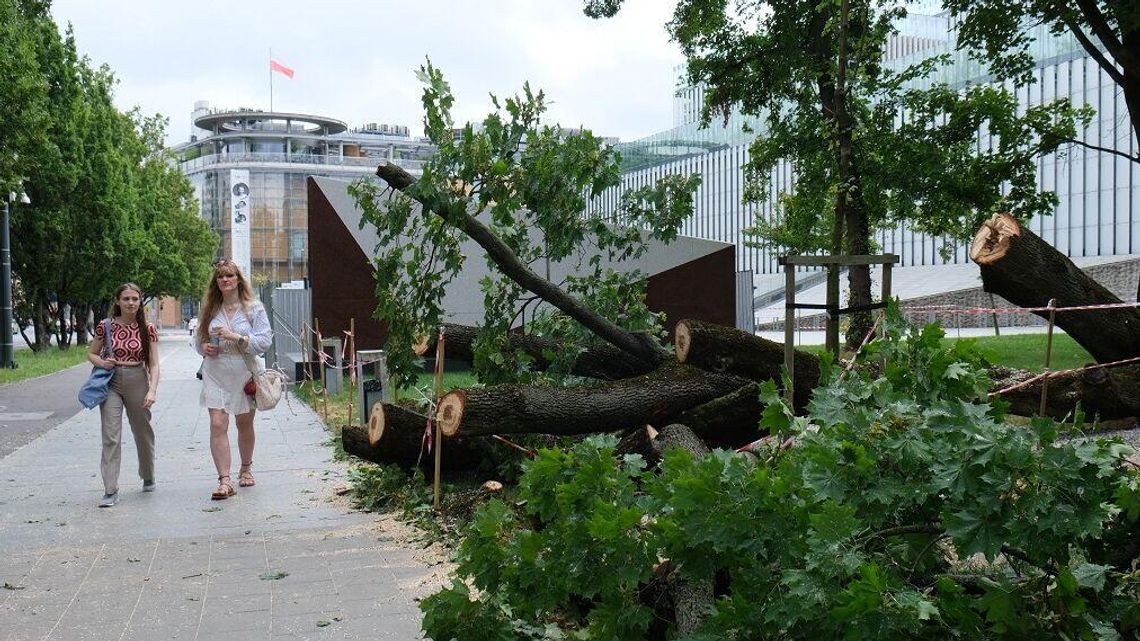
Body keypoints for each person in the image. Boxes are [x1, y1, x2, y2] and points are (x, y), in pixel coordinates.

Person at [195, 259, 273, 500]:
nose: (224, 280)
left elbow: (264, 342)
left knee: (244, 423)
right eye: (220, 277)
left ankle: (246, 467)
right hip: (215, 370)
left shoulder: (253, 308)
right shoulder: (209, 309)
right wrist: (204, 347)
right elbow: (197, 340)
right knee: (217, 423)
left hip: (243, 371)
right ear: (216, 282)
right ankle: (224, 480)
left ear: (238, 279)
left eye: (229, 276)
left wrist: (236, 336)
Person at [88, 283, 160, 508]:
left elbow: (155, 364)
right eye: (126, 298)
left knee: (142, 430)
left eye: (135, 299)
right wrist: (102, 362)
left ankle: (148, 475)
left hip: (138, 377)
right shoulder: (105, 326)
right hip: (111, 381)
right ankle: (110, 490)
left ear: (140, 302)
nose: (131, 303)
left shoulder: (146, 328)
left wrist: (152, 390)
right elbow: (91, 354)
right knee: (111, 434)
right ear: (117, 301)